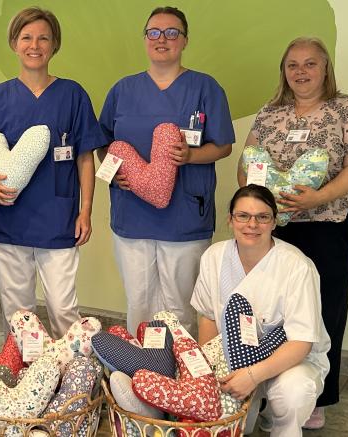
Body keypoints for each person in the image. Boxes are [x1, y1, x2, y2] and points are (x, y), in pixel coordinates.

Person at [237, 36, 348, 429]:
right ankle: (267, 387)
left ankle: (314, 394)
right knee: (270, 309)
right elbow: (247, 165)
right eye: (292, 65)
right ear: (284, 71)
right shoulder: (270, 113)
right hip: (271, 228)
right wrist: (259, 208)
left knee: (321, 309)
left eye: (310, 64)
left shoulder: (345, 108)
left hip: (327, 224)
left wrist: (318, 197)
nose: (300, 72)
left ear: (325, 68)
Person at [97, 6, 234, 333]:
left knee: (180, 305)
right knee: (139, 303)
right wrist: (114, 172)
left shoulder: (205, 88)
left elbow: (224, 145)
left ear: (184, 41)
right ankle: (140, 374)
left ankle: (178, 376)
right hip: (132, 216)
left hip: (185, 216)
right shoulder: (122, 90)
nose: (163, 39)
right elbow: (103, 144)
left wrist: (189, 156)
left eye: (172, 32)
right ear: (145, 39)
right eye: (154, 32)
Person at [0, 7, 107, 335]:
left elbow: (85, 158)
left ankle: (70, 379)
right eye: (27, 37)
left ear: (54, 45)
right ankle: (20, 379)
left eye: (43, 38)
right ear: (14, 44)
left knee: (63, 308)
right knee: (17, 313)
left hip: (58, 216)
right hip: (8, 218)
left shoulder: (73, 95)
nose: (35, 45)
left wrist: (85, 211)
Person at [191, 185, 330, 437]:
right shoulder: (214, 256)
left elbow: (301, 342)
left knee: (292, 393)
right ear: (230, 219)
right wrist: (213, 371)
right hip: (231, 357)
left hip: (289, 360)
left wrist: (253, 376)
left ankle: (282, 428)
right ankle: (259, 410)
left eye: (262, 217)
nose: (251, 224)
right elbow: (208, 316)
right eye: (242, 216)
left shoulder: (297, 266)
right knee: (229, 419)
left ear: (274, 222)